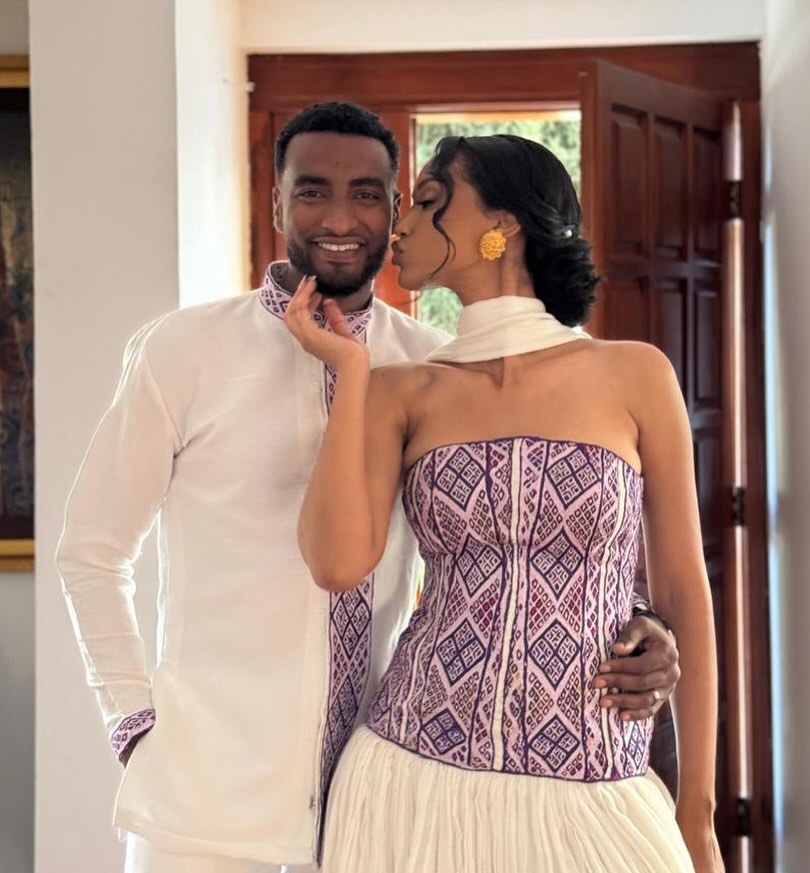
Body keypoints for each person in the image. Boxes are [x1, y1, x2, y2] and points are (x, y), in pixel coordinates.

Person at [57, 104, 681, 873]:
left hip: (381, 797)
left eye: (370, 194)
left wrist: (640, 620)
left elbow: (512, 525)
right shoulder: (182, 351)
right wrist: (134, 723)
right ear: (278, 200)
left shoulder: (436, 367)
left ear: (396, 211)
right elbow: (91, 551)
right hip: (205, 808)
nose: (341, 216)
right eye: (313, 191)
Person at [284, 132, 722, 872]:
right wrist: (351, 374)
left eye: (426, 202)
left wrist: (698, 813)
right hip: (409, 778)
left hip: (597, 781)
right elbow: (335, 563)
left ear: (502, 226)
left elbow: (684, 587)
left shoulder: (635, 376)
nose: (399, 223)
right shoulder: (402, 389)